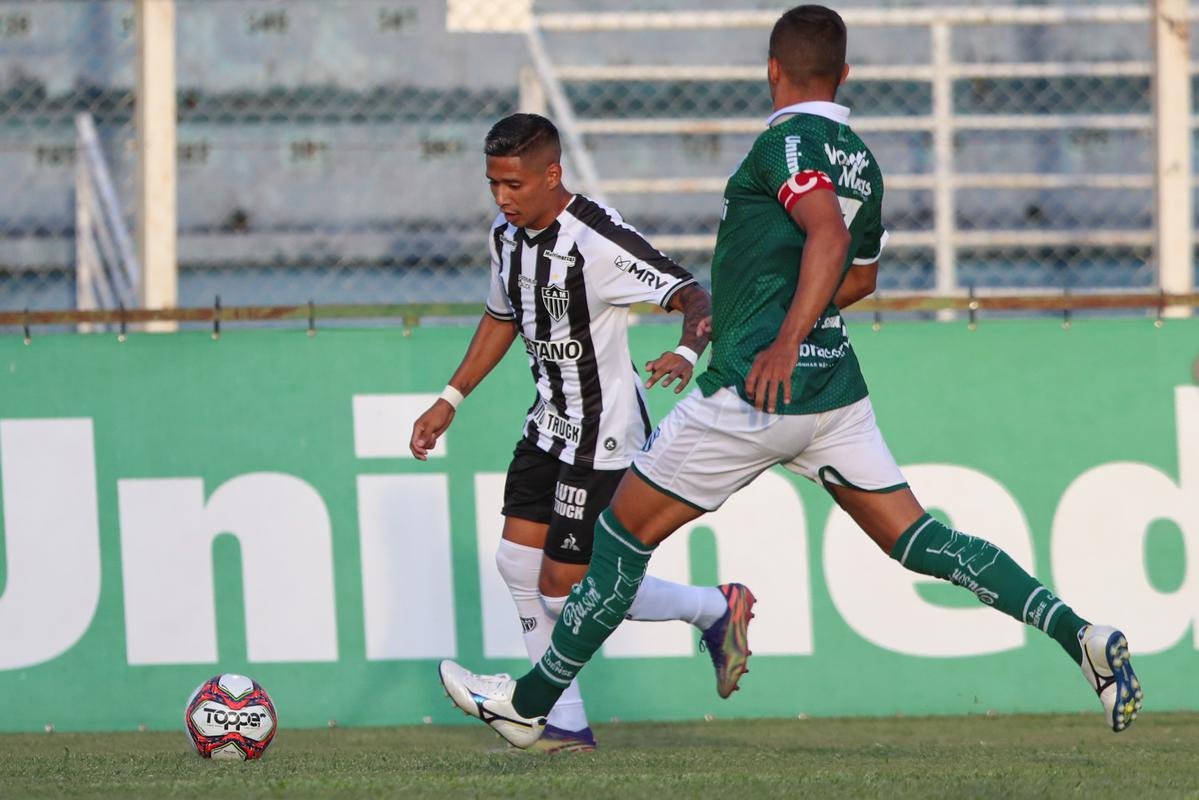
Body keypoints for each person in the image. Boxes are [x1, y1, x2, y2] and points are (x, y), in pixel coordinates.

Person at [437, 6, 1143, 749]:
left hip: (752, 390)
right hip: (833, 395)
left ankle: (531, 704)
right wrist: (797, 324)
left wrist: (780, 338)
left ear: (772, 70)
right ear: (843, 75)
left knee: (616, 539)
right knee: (919, 540)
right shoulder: (862, 162)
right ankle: (1081, 635)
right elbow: (859, 276)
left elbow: (826, 234)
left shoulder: (783, 144)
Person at [410, 113, 755, 753]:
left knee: (566, 588)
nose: (503, 197)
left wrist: (684, 352)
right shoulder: (505, 236)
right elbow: (500, 317)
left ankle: (711, 608)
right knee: (516, 561)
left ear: (551, 174)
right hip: (548, 422)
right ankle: (563, 724)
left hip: (605, 434)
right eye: (493, 184)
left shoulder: (596, 239)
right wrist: (449, 398)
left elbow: (693, 295)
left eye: (514, 184)